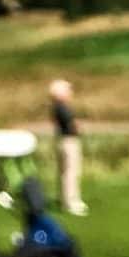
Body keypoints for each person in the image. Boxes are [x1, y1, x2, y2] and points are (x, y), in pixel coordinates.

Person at [48, 78, 87, 216]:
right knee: (71, 172)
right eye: (68, 90)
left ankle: (65, 200)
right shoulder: (63, 108)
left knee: (64, 172)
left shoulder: (56, 107)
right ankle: (71, 202)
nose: (71, 93)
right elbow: (73, 124)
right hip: (69, 141)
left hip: (61, 141)